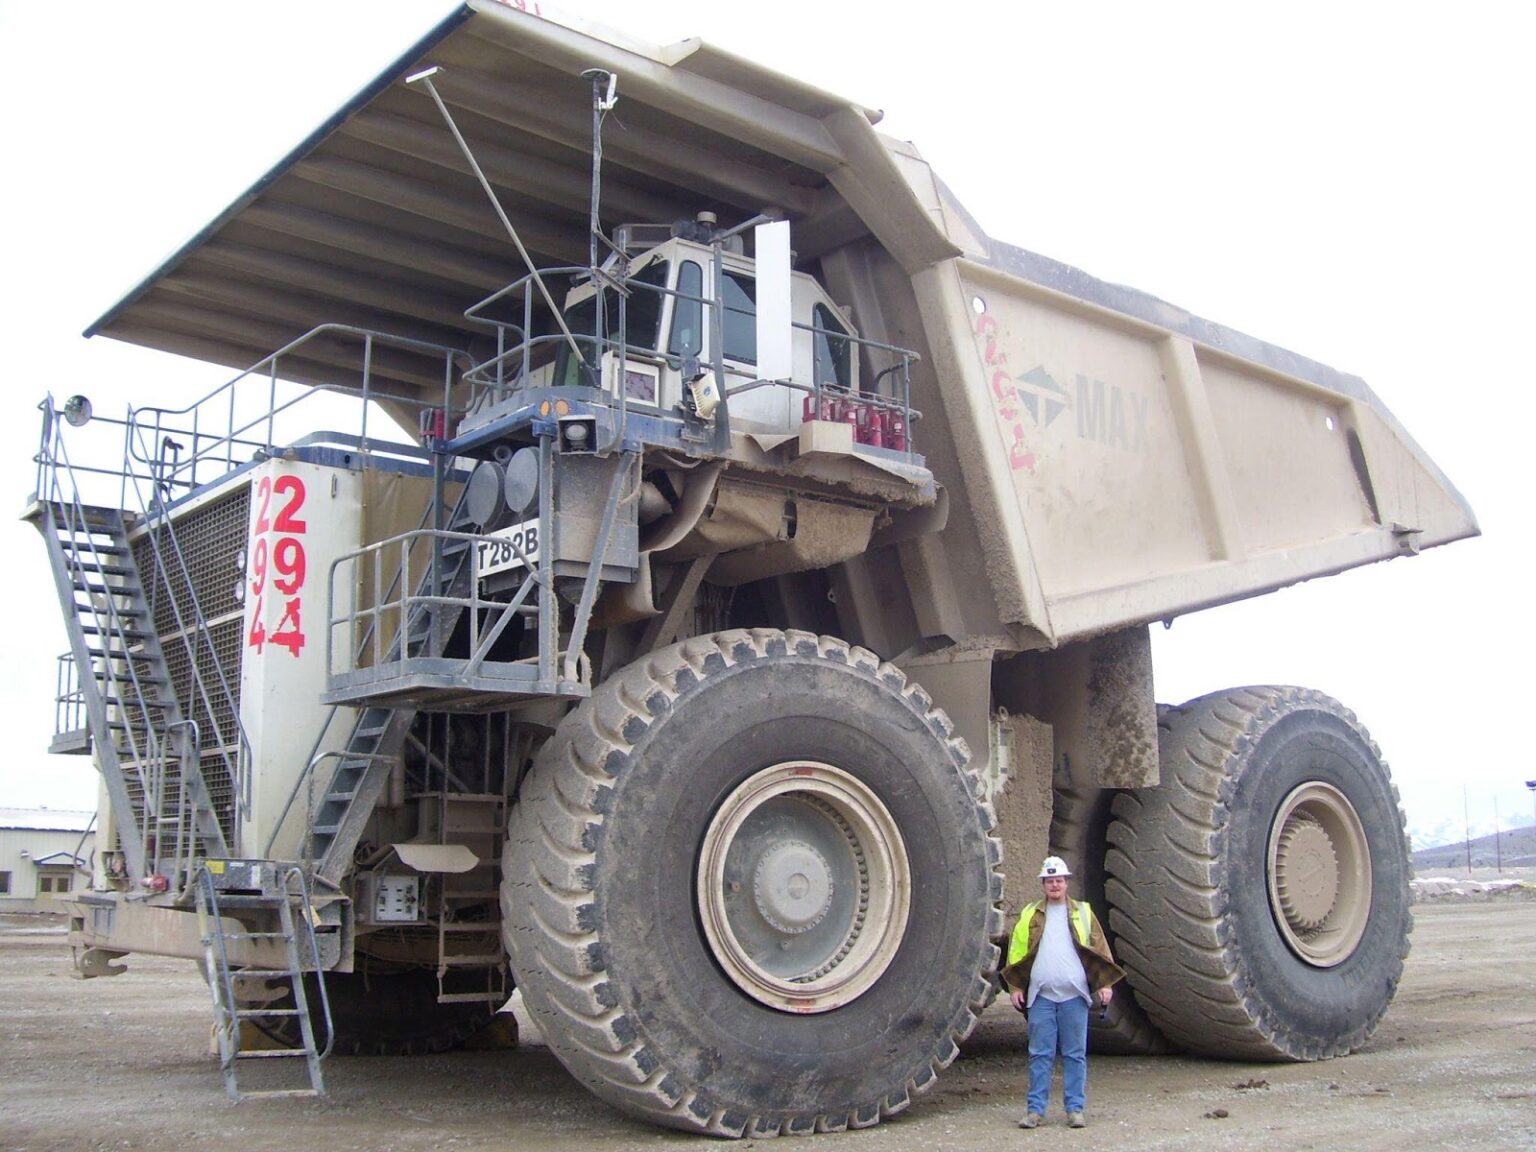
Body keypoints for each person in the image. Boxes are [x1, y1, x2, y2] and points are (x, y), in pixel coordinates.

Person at [1000, 855, 1124, 1129]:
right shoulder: (1030, 914)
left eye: (1058, 880)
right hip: (1041, 997)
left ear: (1066, 882)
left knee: (1074, 1055)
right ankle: (1035, 1111)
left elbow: (1100, 948)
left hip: (1074, 997)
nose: (1054, 885)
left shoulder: (1083, 912)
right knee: (1039, 1055)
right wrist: (1015, 986)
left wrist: (1105, 984)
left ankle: (1075, 1109)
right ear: (1043, 884)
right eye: (1049, 881)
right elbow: (1017, 951)